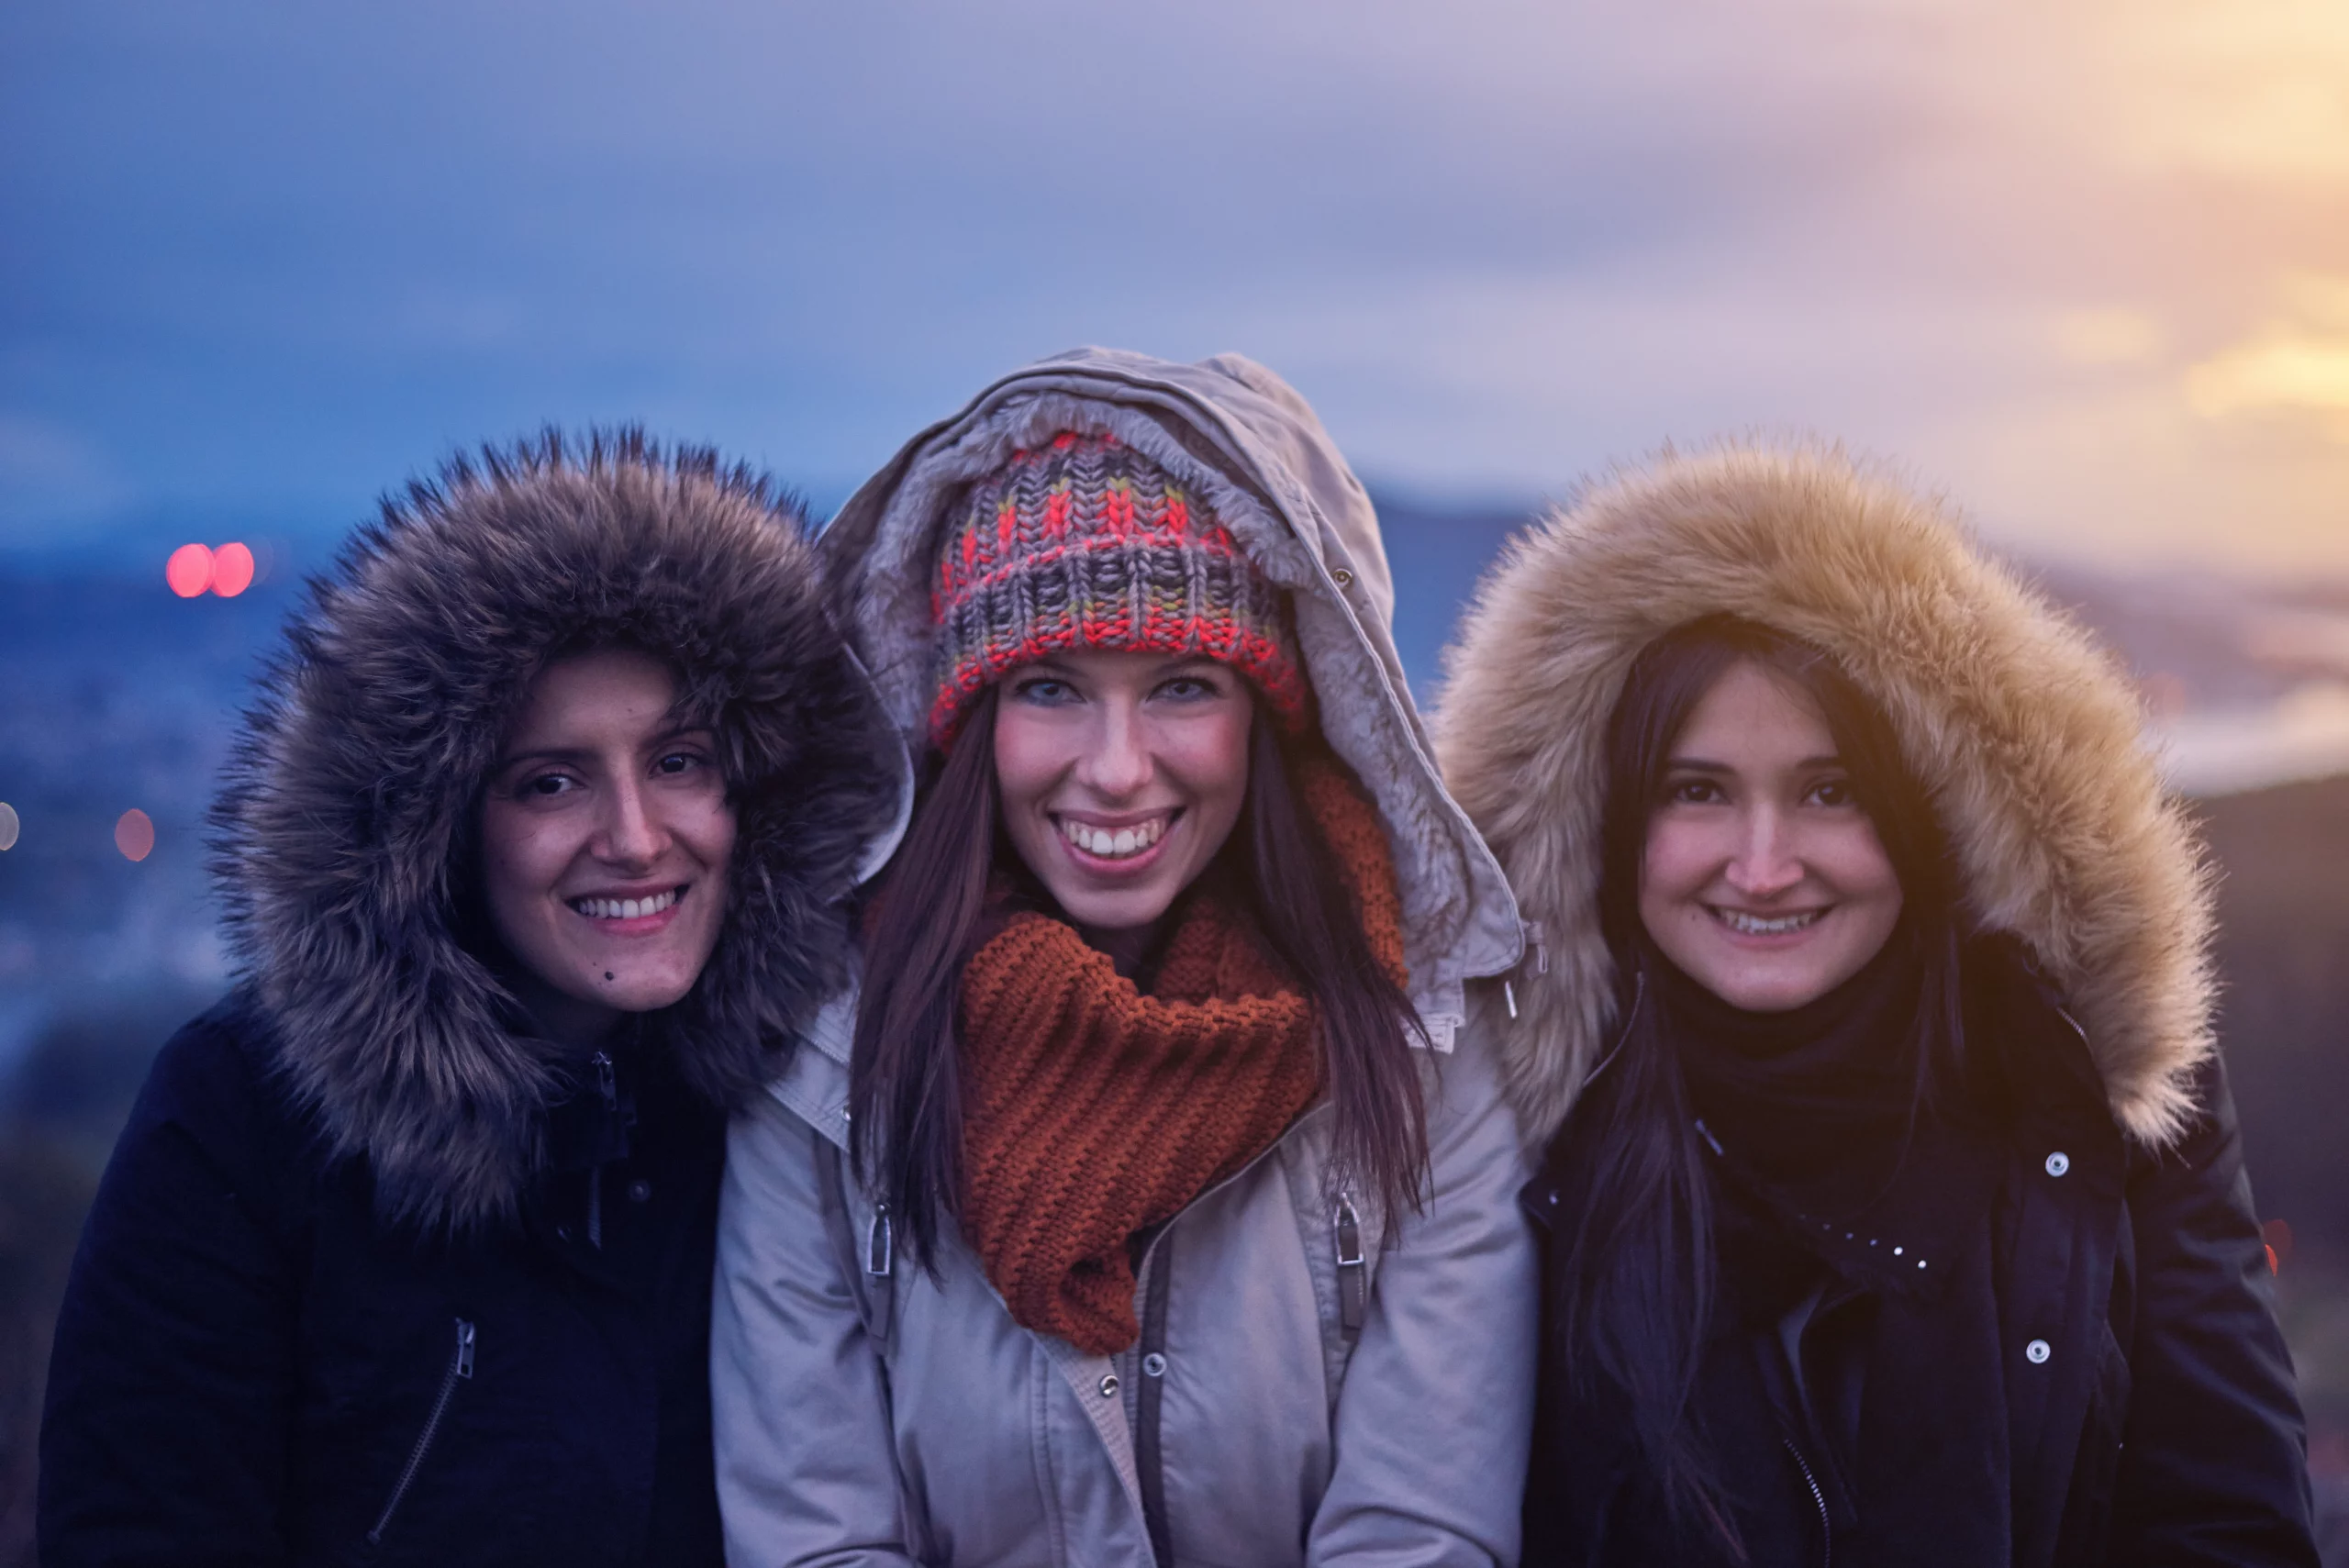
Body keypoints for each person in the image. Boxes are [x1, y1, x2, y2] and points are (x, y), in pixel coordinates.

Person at [712, 349, 1537, 1565]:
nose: (1112, 765)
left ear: (1268, 712)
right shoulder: (832, 1067)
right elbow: (814, 1535)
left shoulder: (1420, 1047)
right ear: (968, 722)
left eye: (1181, 686)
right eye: (1050, 687)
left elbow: (1420, 1531)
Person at [1434, 447, 2320, 1566]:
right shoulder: (1510, 1129)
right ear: (1608, 823)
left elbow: (2226, 1517)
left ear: (1928, 816)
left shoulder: (2089, 1101)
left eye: (1830, 791)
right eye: (1696, 790)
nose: (1761, 867)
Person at [38, 433, 900, 1566]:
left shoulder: (805, 1099)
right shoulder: (244, 1117)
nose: (637, 838)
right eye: (551, 780)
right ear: (436, 825)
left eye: (681, 761)